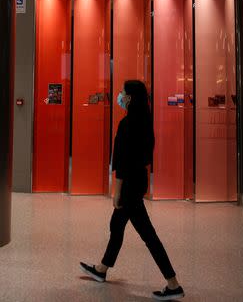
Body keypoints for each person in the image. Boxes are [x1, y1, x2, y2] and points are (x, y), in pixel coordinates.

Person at [79, 80, 184, 301]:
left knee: (147, 235)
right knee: (116, 226)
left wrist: (117, 191)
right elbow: (143, 157)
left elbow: (122, 161)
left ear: (129, 98)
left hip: (129, 187)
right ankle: (102, 269)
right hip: (139, 182)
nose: (119, 95)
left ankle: (173, 284)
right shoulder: (145, 122)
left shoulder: (127, 124)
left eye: (122, 93)